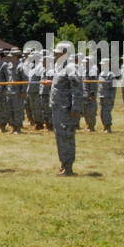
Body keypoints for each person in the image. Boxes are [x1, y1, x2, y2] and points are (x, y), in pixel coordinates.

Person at [50, 43, 86, 176]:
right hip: (59, 109)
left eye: (57, 53)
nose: (55, 55)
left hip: (66, 110)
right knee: (60, 137)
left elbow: (77, 90)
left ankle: (68, 167)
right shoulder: (61, 67)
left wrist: (76, 108)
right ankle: (64, 164)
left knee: (67, 137)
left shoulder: (71, 68)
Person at [98, 58, 117, 133]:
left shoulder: (111, 75)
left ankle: (108, 127)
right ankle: (104, 126)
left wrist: (112, 98)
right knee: (102, 112)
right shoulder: (101, 74)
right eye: (101, 65)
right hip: (101, 96)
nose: (102, 66)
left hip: (108, 97)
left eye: (103, 64)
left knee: (107, 112)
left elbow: (114, 88)